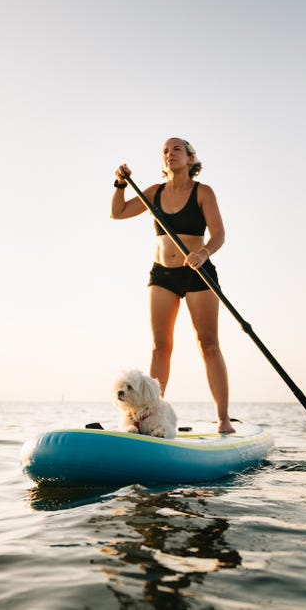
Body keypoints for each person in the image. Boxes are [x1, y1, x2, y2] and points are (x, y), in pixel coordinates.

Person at [110, 137, 234, 434]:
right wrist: (120, 184)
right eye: (165, 151)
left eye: (177, 149)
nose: (170, 154)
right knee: (160, 346)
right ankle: (149, 416)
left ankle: (223, 418)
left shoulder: (203, 192)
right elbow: (118, 212)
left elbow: (218, 235)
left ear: (190, 158)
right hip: (162, 275)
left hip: (197, 273)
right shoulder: (154, 192)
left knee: (208, 343)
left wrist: (203, 253)